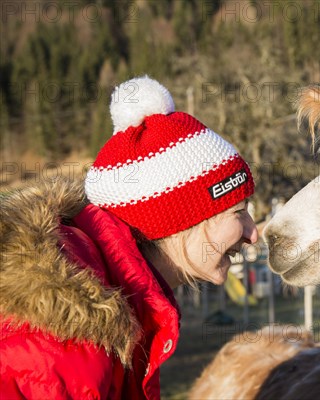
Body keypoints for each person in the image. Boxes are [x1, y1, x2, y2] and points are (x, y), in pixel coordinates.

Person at [0, 76, 258, 399]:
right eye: (239, 212)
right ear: (177, 218)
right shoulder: (67, 341)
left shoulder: (122, 314)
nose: (253, 233)